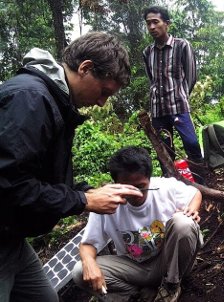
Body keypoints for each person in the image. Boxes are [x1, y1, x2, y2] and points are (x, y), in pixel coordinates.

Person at [0, 32, 143, 302]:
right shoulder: (30, 99)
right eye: (104, 92)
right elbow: (9, 186)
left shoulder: (54, 103)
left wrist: (90, 191)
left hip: (13, 238)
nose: (102, 102)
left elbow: (35, 178)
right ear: (85, 68)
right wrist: (82, 199)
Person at [72, 146, 203, 302]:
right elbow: (88, 245)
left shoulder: (165, 187)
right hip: (135, 268)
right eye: (128, 187)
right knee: (79, 272)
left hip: (170, 260)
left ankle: (171, 285)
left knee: (184, 222)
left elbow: (195, 193)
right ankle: (137, 295)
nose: (135, 193)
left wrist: (191, 210)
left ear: (149, 178)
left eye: (141, 186)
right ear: (116, 183)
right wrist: (89, 263)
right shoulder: (106, 202)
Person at [142, 6, 206, 178]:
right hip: (158, 110)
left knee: (191, 144)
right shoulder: (147, 52)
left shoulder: (182, 46)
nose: (152, 27)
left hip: (179, 106)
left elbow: (191, 76)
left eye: (156, 22)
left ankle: (202, 185)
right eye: (148, 24)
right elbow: (151, 80)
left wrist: (181, 95)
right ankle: (171, 187)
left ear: (167, 23)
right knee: (164, 151)